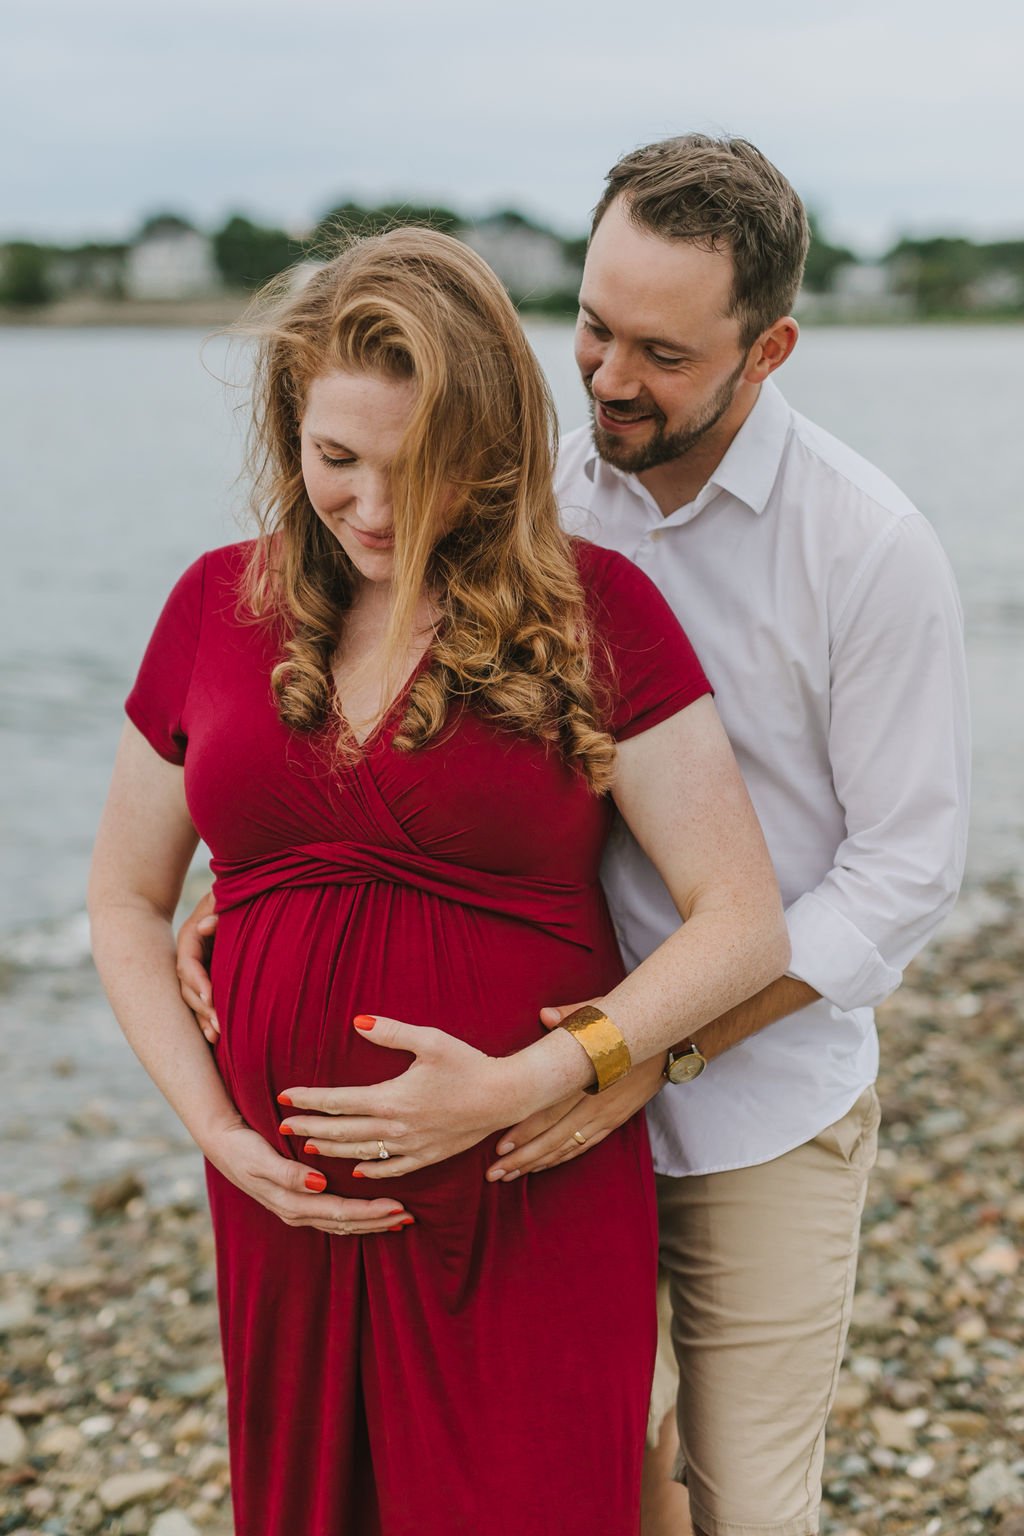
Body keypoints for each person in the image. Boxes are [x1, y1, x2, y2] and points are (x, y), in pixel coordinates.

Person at [179, 138, 970, 1536]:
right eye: (593, 328)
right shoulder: (515, 488)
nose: (606, 379)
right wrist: (253, 895)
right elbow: (398, 710)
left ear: (768, 347)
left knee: (735, 1500)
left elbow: (904, 872)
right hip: (513, 1106)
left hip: (750, 1100)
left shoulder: (867, 546)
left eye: (660, 353)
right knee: (596, 1475)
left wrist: (645, 1050)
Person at [89, 226, 790, 1536]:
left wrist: (530, 1080)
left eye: (410, 471)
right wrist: (217, 1135)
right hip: (290, 1219)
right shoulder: (208, 607)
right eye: (333, 459)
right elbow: (127, 901)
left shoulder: (595, 611)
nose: (366, 506)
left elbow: (742, 919)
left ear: (488, 451)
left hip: (527, 1188)